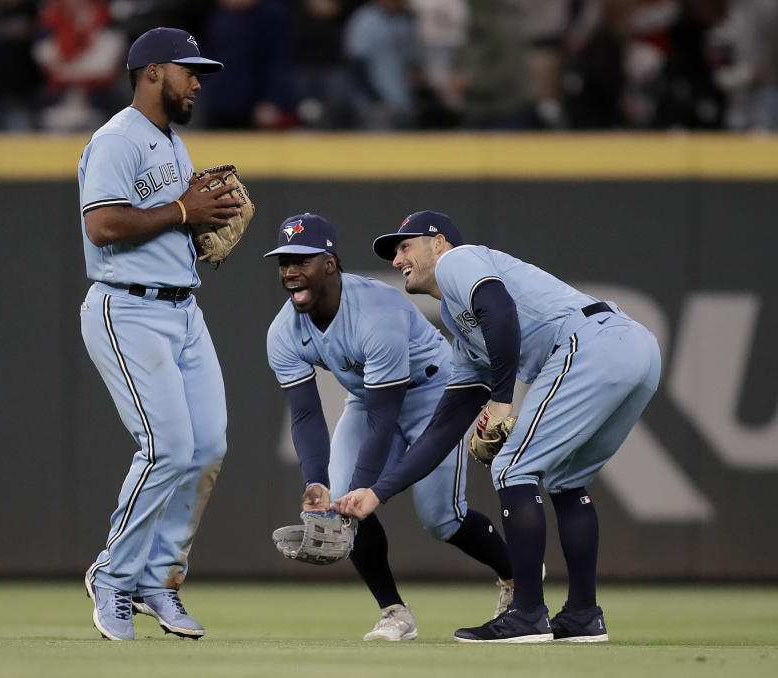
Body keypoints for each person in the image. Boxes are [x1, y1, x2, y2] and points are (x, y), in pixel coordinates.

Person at [334, 211, 661, 643]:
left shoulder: (459, 260)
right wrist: (377, 493)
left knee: (511, 468)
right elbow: (444, 427)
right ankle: (583, 614)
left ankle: (526, 614)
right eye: (394, 252)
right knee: (566, 479)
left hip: (592, 344)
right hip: (636, 350)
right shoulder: (458, 321)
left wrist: (502, 399)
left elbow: (500, 310)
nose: (397, 259)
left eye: (405, 246)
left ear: (439, 243)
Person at [264, 213, 514, 641]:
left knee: (441, 519)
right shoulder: (283, 332)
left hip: (434, 393)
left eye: (301, 260)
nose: (289, 271)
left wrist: (366, 493)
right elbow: (305, 415)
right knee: (341, 502)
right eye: (283, 261)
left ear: (329, 263)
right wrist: (315, 483)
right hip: (367, 398)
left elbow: (385, 418)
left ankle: (516, 578)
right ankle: (394, 612)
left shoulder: (375, 311)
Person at [77, 27, 243, 641]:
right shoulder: (117, 139)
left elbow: (170, 222)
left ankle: (157, 581)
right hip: (129, 309)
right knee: (167, 447)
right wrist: (182, 212)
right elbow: (101, 225)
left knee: (206, 449)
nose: (197, 82)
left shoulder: (173, 143)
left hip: (183, 312)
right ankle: (114, 578)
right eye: (188, 70)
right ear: (152, 72)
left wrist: (196, 229)